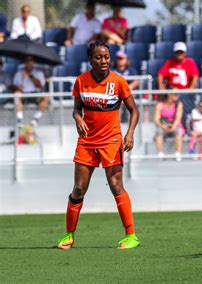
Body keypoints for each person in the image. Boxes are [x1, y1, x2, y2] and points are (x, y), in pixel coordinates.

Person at [56, 41, 140, 250]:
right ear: (90, 59)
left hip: (111, 140)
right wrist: (78, 119)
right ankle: (69, 235)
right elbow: (76, 109)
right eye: (98, 57)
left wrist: (130, 133)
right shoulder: (81, 81)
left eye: (106, 57)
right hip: (87, 141)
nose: (103, 61)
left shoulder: (118, 82)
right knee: (78, 189)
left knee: (115, 184)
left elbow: (134, 110)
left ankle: (131, 236)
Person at [12, 56, 47, 126]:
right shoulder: (19, 73)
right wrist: (18, 87)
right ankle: (19, 119)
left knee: (46, 97)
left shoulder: (39, 73)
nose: (29, 63)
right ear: (25, 63)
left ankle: (36, 118)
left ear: (34, 63)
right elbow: (13, 86)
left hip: (35, 94)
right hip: (23, 94)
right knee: (17, 94)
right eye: (27, 61)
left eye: (31, 61)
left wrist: (29, 76)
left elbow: (40, 85)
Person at [154, 92, 185, 161]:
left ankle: (178, 154)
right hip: (163, 126)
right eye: (175, 94)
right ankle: (160, 154)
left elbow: (178, 118)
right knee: (158, 131)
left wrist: (173, 126)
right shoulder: (160, 104)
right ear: (169, 94)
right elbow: (156, 119)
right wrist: (162, 126)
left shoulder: (179, 104)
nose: (177, 95)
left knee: (179, 131)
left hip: (174, 126)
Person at [112, 51, 139, 122]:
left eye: (121, 58)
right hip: (116, 95)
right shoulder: (112, 71)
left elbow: (136, 81)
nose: (120, 60)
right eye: (118, 58)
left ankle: (129, 122)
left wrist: (129, 87)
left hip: (128, 94)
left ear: (126, 59)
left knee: (130, 104)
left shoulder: (131, 70)